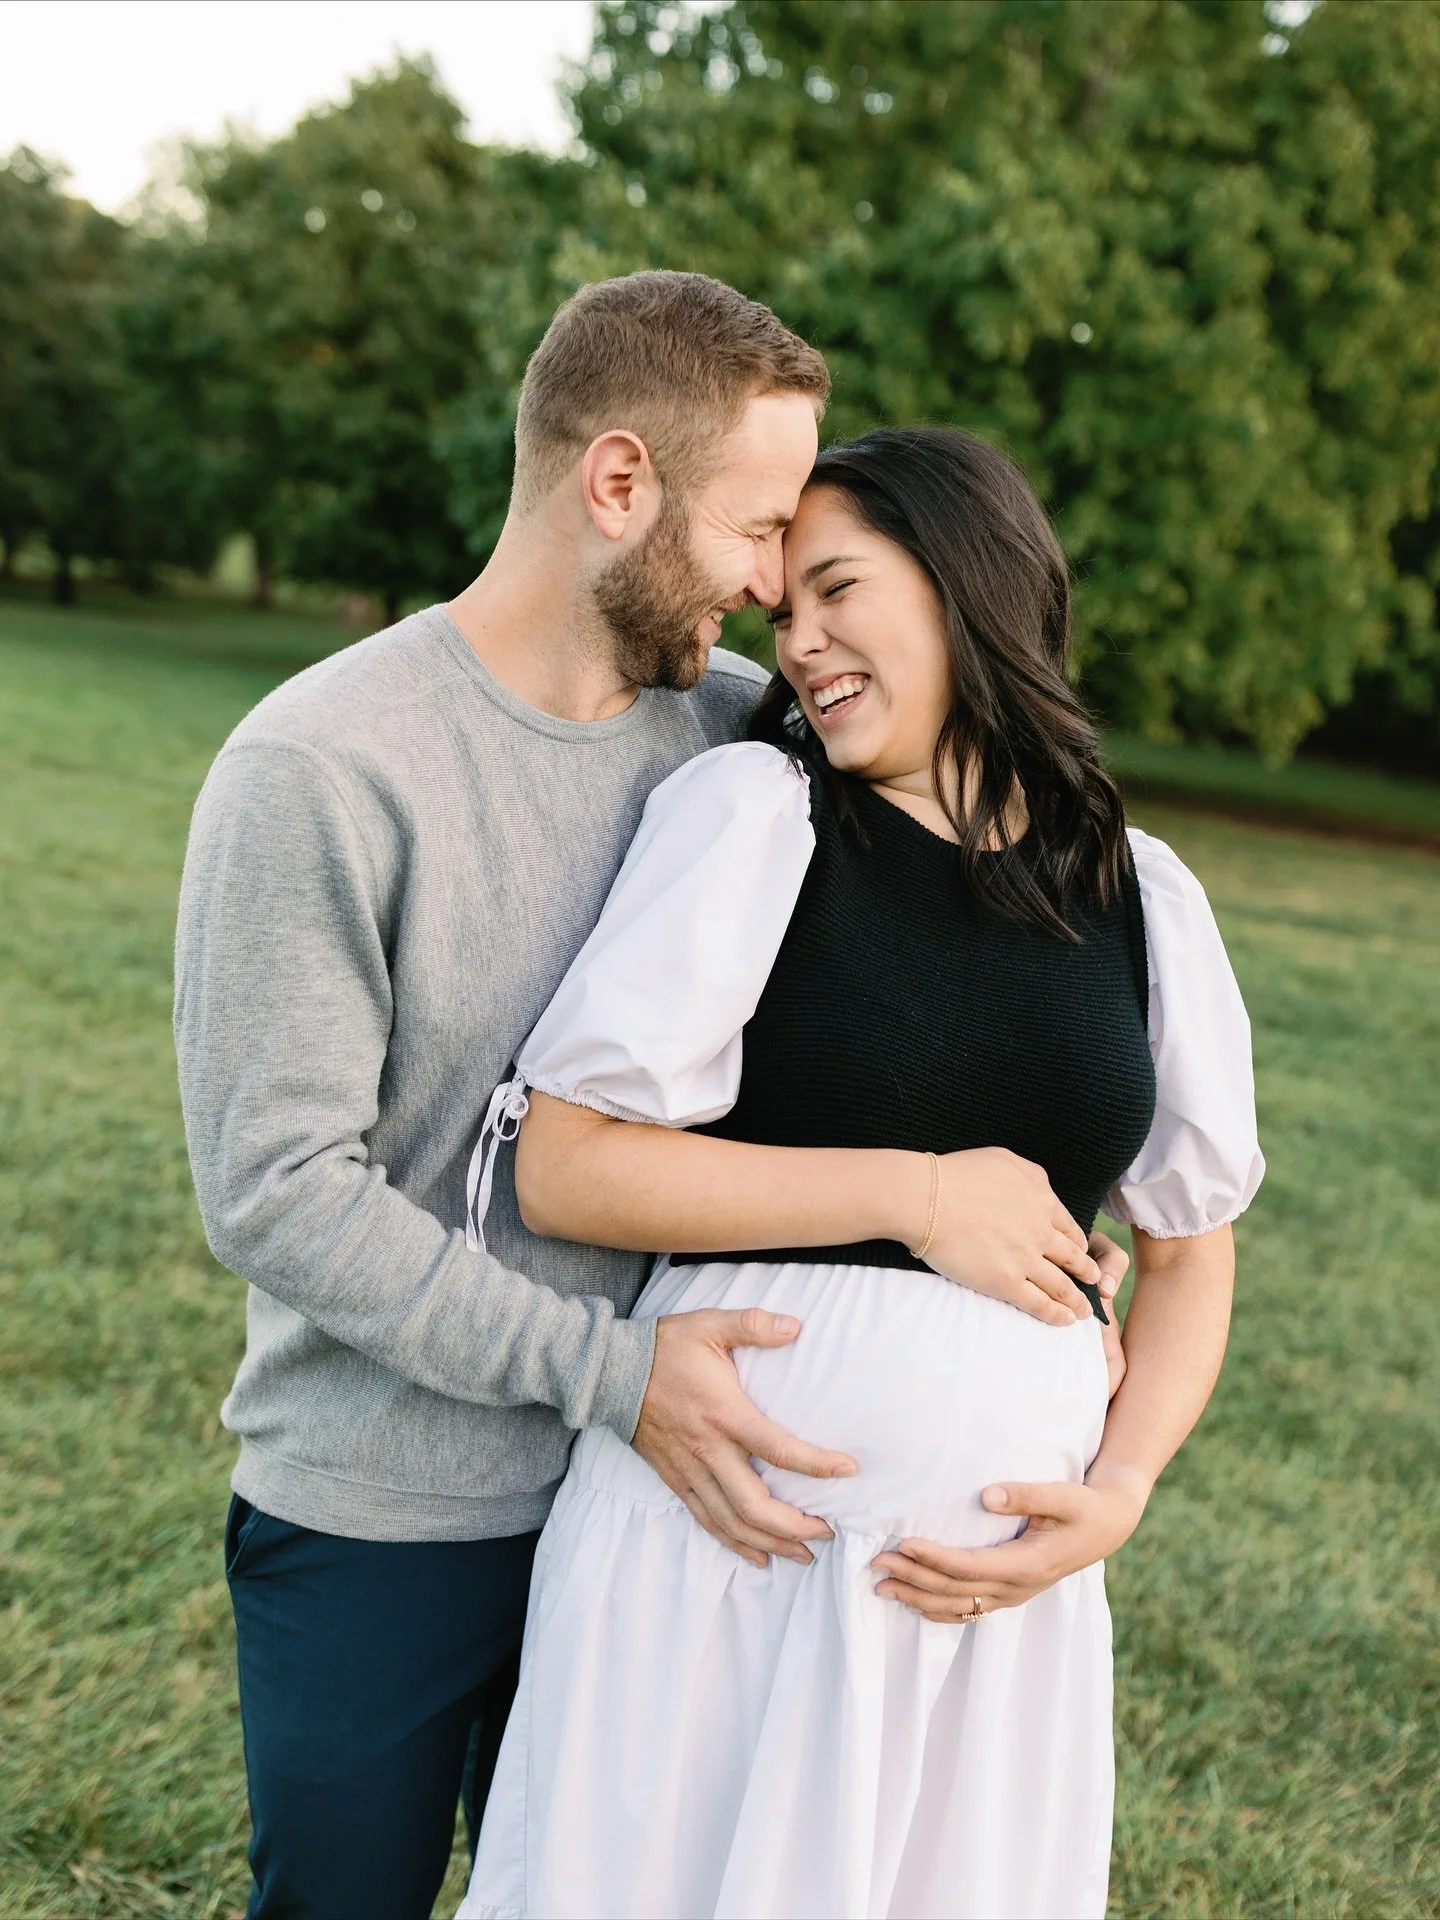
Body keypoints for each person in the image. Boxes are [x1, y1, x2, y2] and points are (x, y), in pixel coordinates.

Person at [174, 277, 1113, 1919]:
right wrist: (612, 1376)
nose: (775, 598)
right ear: (619, 487)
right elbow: (278, 1193)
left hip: (670, 1525)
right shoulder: (320, 768)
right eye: (759, 533)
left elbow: (961, 857)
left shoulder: (744, 741)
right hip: (386, 1515)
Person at [458, 427, 1265, 1920]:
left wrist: (1125, 1486)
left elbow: (1193, 1252)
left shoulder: (1141, 895)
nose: (802, 639)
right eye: (782, 615)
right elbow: (564, 1165)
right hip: (728, 1559)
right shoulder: (760, 821)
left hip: (986, 1617)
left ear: (967, 588)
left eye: (837, 590)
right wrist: (914, 1193)